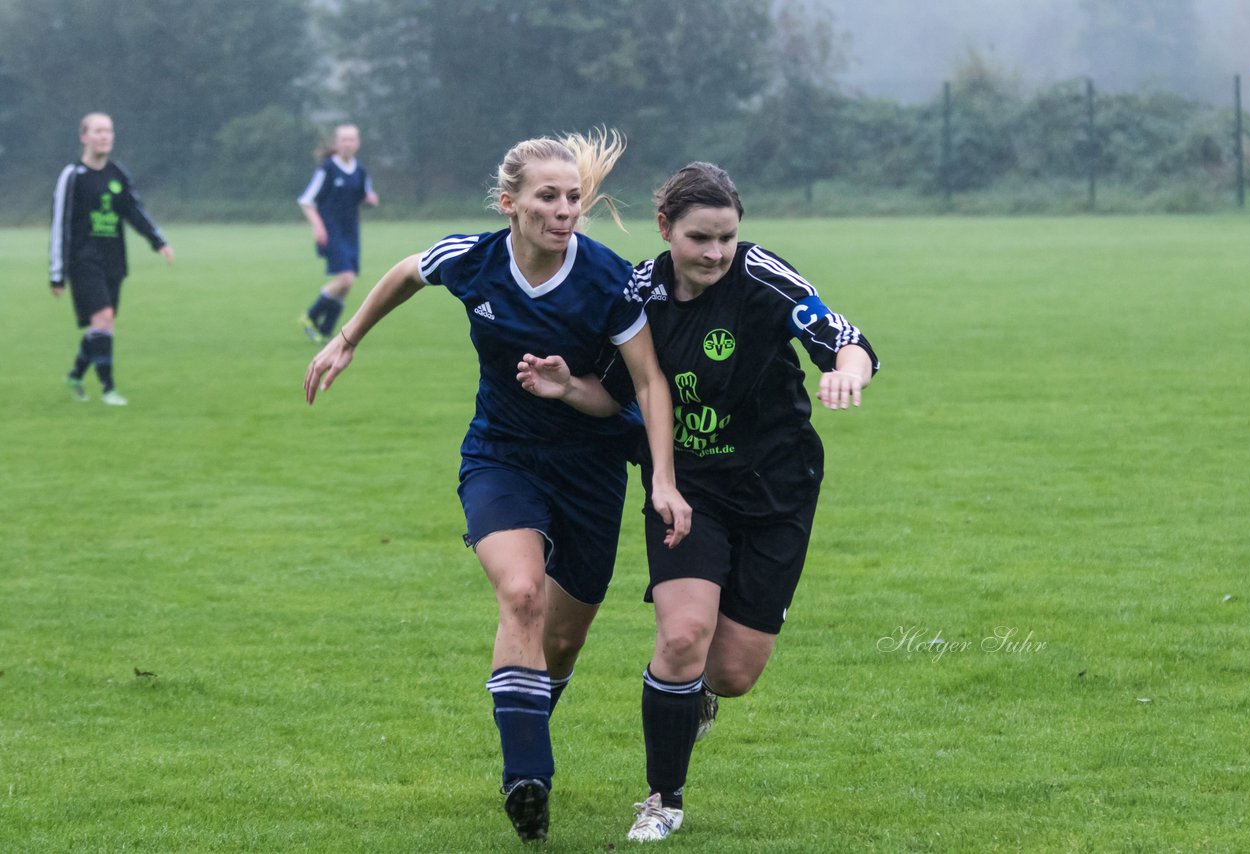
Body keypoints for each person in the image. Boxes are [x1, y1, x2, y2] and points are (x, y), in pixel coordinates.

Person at [303, 130, 692, 844]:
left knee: (563, 645)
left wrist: (661, 479)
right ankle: (527, 781)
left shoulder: (607, 279)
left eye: (573, 196)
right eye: (548, 196)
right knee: (521, 594)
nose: (566, 208)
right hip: (502, 459)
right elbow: (406, 272)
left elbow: (647, 382)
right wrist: (349, 336)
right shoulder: (474, 260)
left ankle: (524, 735)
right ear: (509, 203)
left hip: (592, 472)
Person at [517, 162, 879, 842]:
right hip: (687, 489)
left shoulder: (765, 275)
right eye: (700, 238)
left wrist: (844, 375)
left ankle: (693, 702)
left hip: (779, 487)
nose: (716, 253)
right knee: (682, 636)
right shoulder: (637, 293)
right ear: (666, 230)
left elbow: (846, 340)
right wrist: (567, 387)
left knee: (733, 673)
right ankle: (663, 798)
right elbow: (614, 396)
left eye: (727, 238)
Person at [49, 112, 174, 406]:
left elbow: (134, 211)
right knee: (103, 318)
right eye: (98, 131)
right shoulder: (72, 176)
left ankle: (75, 375)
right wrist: (57, 273)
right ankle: (108, 390)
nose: (105, 136)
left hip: (113, 260)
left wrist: (159, 242)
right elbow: (60, 225)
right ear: (85, 137)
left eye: (109, 131)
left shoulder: (118, 174)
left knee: (104, 325)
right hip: (82, 260)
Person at [297, 123, 379, 343]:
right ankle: (311, 316)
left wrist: (370, 201)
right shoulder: (327, 169)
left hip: (351, 232)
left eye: (352, 139)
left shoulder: (360, 171)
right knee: (345, 278)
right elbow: (306, 201)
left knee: (347, 284)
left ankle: (325, 331)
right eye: (344, 139)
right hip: (330, 230)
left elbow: (366, 197)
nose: (348, 143)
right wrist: (318, 227)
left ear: (358, 143)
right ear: (336, 143)